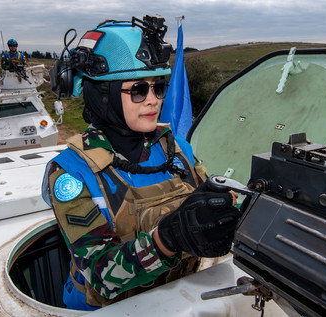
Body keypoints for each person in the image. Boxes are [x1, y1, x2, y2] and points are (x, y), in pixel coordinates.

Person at [42, 15, 241, 311]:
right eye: (138, 89)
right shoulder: (71, 171)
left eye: (158, 87)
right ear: (101, 94)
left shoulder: (178, 148)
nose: (153, 100)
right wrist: (168, 238)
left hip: (177, 298)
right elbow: (100, 274)